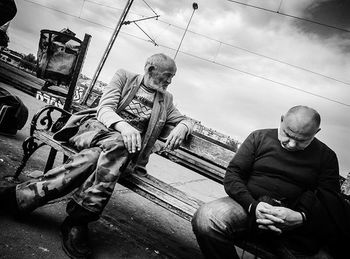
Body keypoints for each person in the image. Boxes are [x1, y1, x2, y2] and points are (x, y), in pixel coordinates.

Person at [0, 53, 193, 258]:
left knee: (95, 158)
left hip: (116, 151)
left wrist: (183, 126)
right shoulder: (124, 76)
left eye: (173, 76)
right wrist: (124, 127)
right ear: (150, 69)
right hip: (94, 130)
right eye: (167, 75)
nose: (170, 81)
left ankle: (21, 197)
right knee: (120, 143)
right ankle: (79, 220)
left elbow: (186, 120)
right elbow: (105, 108)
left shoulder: (166, 99)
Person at [191, 105, 350, 259]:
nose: (292, 144)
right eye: (288, 134)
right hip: (248, 206)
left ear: (316, 132)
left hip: (294, 227)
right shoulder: (259, 137)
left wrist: (301, 217)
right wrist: (253, 206)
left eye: (302, 140)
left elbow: (329, 200)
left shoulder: (327, 157)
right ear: (282, 120)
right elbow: (233, 175)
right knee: (207, 218)